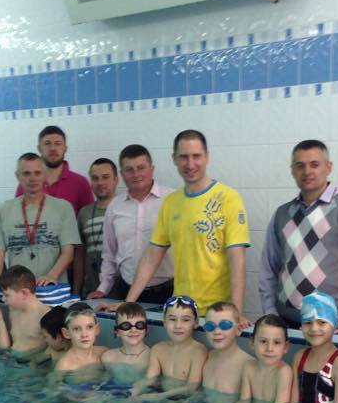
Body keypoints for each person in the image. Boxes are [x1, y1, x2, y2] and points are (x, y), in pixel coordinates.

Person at [117, 131, 251, 323]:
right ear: (174, 159)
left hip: (218, 314)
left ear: (207, 157)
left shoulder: (228, 198)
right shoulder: (171, 202)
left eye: (196, 156)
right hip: (181, 313)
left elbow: (237, 259)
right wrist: (128, 302)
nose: (190, 164)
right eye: (183, 157)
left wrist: (236, 312)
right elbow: (151, 257)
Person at [259, 139, 338, 330]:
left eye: (314, 164)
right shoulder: (281, 214)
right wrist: (271, 314)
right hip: (286, 326)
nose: (307, 171)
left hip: (332, 327)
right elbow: (268, 270)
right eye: (300, 166)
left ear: (328, 167)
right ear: (292, 171)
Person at [88, 144, 174, 304]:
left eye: (141, 168)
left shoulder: (172, 200)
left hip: (168, 291)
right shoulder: (115, 206)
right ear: (121, 174)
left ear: (152, 169)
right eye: (129, 170)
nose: (136, 174)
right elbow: (109, 254)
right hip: (127, 290)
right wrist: (103, 288)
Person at [0, 153, 81, 289]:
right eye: (26, 173)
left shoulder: (63, 208)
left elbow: (68, 252)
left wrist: (51, 276)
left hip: (51, 289)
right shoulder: (4, 210)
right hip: (17, 290)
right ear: (17, 176)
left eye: (37, 173)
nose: (32, 178)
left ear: (45, 175)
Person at [290, 291, 338, 403]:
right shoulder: (299, 357)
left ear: (334, 325)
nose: (314, 328)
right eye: (308, 322)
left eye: (322, 322)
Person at [132, 295, 207, 400]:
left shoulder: (198, 352)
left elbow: (192, 387)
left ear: (196, 323)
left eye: (185, 320)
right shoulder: (158, 349)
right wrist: (134, 391)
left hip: (184, 402)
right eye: (172, 319)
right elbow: (150, 379)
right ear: (164, 322)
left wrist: (160, 396)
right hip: (163, 396)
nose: (178, 326)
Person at [14, 125, 93, 214]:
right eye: (47, 143)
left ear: (65, 148)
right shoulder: (27, 183)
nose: (53, 148)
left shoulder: (81, 183)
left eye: (58, 144)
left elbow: (88, 219)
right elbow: (18, 217)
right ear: (39, 148)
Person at [75, 158, 119, 297]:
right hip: (91, 290)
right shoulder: (84, 213)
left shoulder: (126, 210)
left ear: (116, 180)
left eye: (105, 177)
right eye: (95, 178)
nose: (100, 183)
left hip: (121, 290)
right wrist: (76, 291)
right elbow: (80, 255)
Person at [238, 315, 294, 403]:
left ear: (286, 347)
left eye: (277, 342)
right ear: (252, 343)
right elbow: (244, 402)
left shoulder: (284, 371)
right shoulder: (248, 367)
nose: (269, 348)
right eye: (263, 341)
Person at [200, 301, 253, 396]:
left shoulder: (248, 366)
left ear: (238, 329)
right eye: (210, 326)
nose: (217, 332)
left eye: (224, 325)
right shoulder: (208, 357)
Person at [0, 265, 50, 356]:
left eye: (7, 295)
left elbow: (53, 350)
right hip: (12, 358)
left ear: (24, 293)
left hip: (32, 361)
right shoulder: (13, 311)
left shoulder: (45, 315)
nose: (3, 299)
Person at [55, 303, 108, 372]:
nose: (84, 335)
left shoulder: (103, 353)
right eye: (76, 329)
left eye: (89, 327)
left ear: (97, 329)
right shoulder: (65, 365)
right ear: (66, 333)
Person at [101, 302, 150, 371]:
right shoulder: (108, 357)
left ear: (146, 329)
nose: (133, 330)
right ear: (117, 331)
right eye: (126, 325)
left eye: (139, 325)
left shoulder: (153, 357)